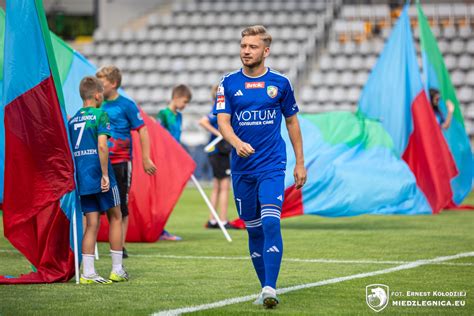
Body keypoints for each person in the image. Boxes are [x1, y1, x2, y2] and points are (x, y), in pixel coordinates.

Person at [214, 25, 307, 308]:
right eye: (243, 46)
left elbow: (292, 122)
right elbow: (223, 122)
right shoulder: (228, 83)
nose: (245, 51)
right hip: (242, 168)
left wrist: (300, 162)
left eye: (252, 47)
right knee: (253, 229)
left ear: (265, 51)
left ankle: (270, 287)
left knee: (270, 221)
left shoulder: (280, 83)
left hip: (272, 165)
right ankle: (263, 285)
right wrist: (235, 142)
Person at [68, 76, 128, 284]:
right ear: (97, 95)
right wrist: (104, 174)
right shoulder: (100, 115)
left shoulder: (73, 119)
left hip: (82, 177)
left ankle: (88, 273)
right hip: (99, 173)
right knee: (116, 217)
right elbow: (102, 146)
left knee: (91, 223)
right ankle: (117, 269)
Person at [96, 66, 157, 258]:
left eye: (102, 82)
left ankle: (119, 246)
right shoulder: (97, 104)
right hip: (99, 162)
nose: (98, 87)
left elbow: (143, 130)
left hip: (120, 162)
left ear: (113, 84)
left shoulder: (127, 105)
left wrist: (146, 158)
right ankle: (89, 246)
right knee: (95, 205)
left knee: (120, 204)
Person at [156, 84, 192, 240]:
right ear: (176, 98)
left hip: (175, 159)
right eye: (184, 102)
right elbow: (159, 136)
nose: (184, 106)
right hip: (163, 159)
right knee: (161, 196)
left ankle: (162, 229)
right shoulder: (163, 114)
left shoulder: (179, 116)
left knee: (170, 196)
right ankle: (159, 229)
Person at [199, 85, 233, 229]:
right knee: (224, 186)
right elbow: (202, 121)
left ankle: (213, 220)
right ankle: (223, 220)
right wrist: (219, 133)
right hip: (219, 152)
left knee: (217, 186)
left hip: (217, 152)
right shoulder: (219, 109)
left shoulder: (218, 109)